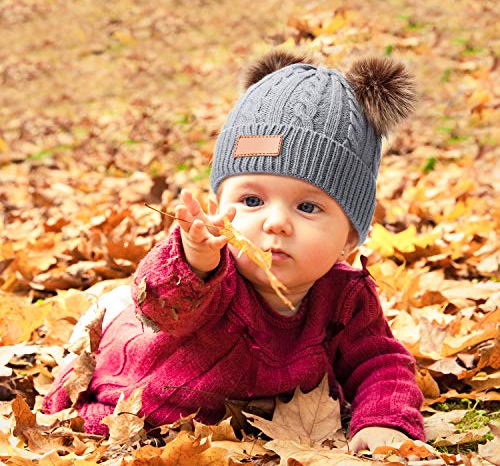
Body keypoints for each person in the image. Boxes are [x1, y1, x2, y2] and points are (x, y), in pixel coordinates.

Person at [43, 49, 425, 451]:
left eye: (308, 206)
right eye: (252, 201)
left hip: (254, 419)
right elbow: (160, 305)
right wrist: (195, 263)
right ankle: (104, 319)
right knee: (101, 419)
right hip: (153, 392)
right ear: (218, 206)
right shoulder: (212, 271)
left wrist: (385, 420)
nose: (274, 222)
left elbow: (380, 363)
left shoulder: (345, 297)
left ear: (349, 239)